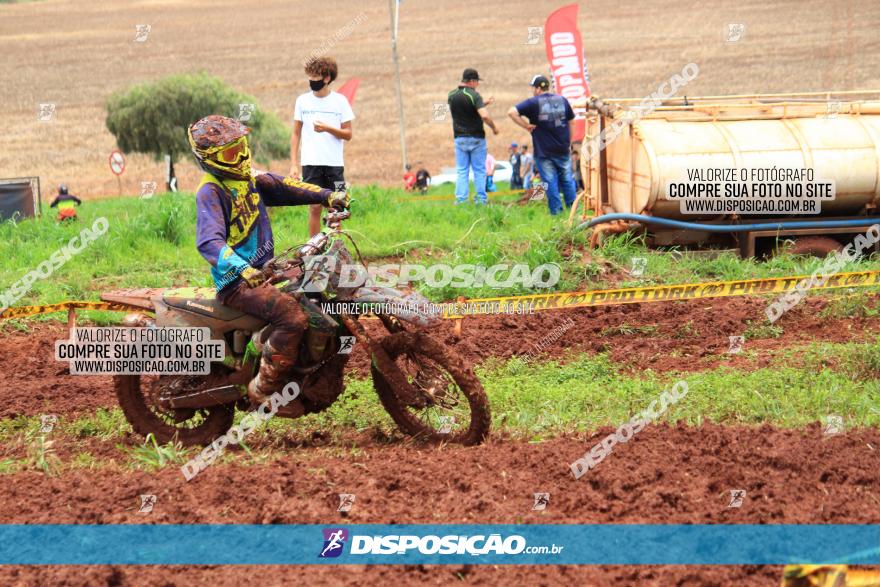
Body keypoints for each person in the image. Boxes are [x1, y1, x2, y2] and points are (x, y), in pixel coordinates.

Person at [189, 115, 349, 415]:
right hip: (237, 284)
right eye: (230, 152)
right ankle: (264, 389)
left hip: (267, 271)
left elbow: (284, 185)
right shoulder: (211, 191)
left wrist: (328, 195)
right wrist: (242, 268)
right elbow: (209, 241)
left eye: (241, 146)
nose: (240, 155)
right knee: (292, 317)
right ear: (210, 159)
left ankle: (303, 371)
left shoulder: (248, 177)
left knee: (317, 293)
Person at [290, 56, 354, 237]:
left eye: (315, 78)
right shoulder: (302, 101)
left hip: (335, 164)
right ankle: (313, 251)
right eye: (309, 77)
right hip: (310, 163)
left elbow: (348, 134)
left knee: (338, 207)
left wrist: (327, 128)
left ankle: (336, 249)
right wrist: (294, 164)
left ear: (327, 78)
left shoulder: (341, 101)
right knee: (314, 207)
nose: (311, 81)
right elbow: (295, 133)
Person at [507, 75, 577, 215]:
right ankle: (573, 212)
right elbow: (572, 121)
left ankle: (557, 213)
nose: (533, 90)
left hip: (544, 151)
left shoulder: (533, 103)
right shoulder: (562, 100)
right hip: (562, 149)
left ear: (538, 88)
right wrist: (568, 142)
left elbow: (512, 112)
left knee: (550, 181)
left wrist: (526, 126)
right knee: (567, 179)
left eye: (533, 87)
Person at [447, 68, 499, 205]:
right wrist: (494, 128)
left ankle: (461, 200)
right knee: (479, 170)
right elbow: (485, 116)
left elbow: (465, 109)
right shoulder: (475, 95)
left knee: (462, 171)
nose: (478, 85)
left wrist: (483, 103)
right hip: (476, 138)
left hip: (459, 138)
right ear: (473, 81)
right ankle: (481, 200)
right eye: (477, 82)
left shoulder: (451, 95)